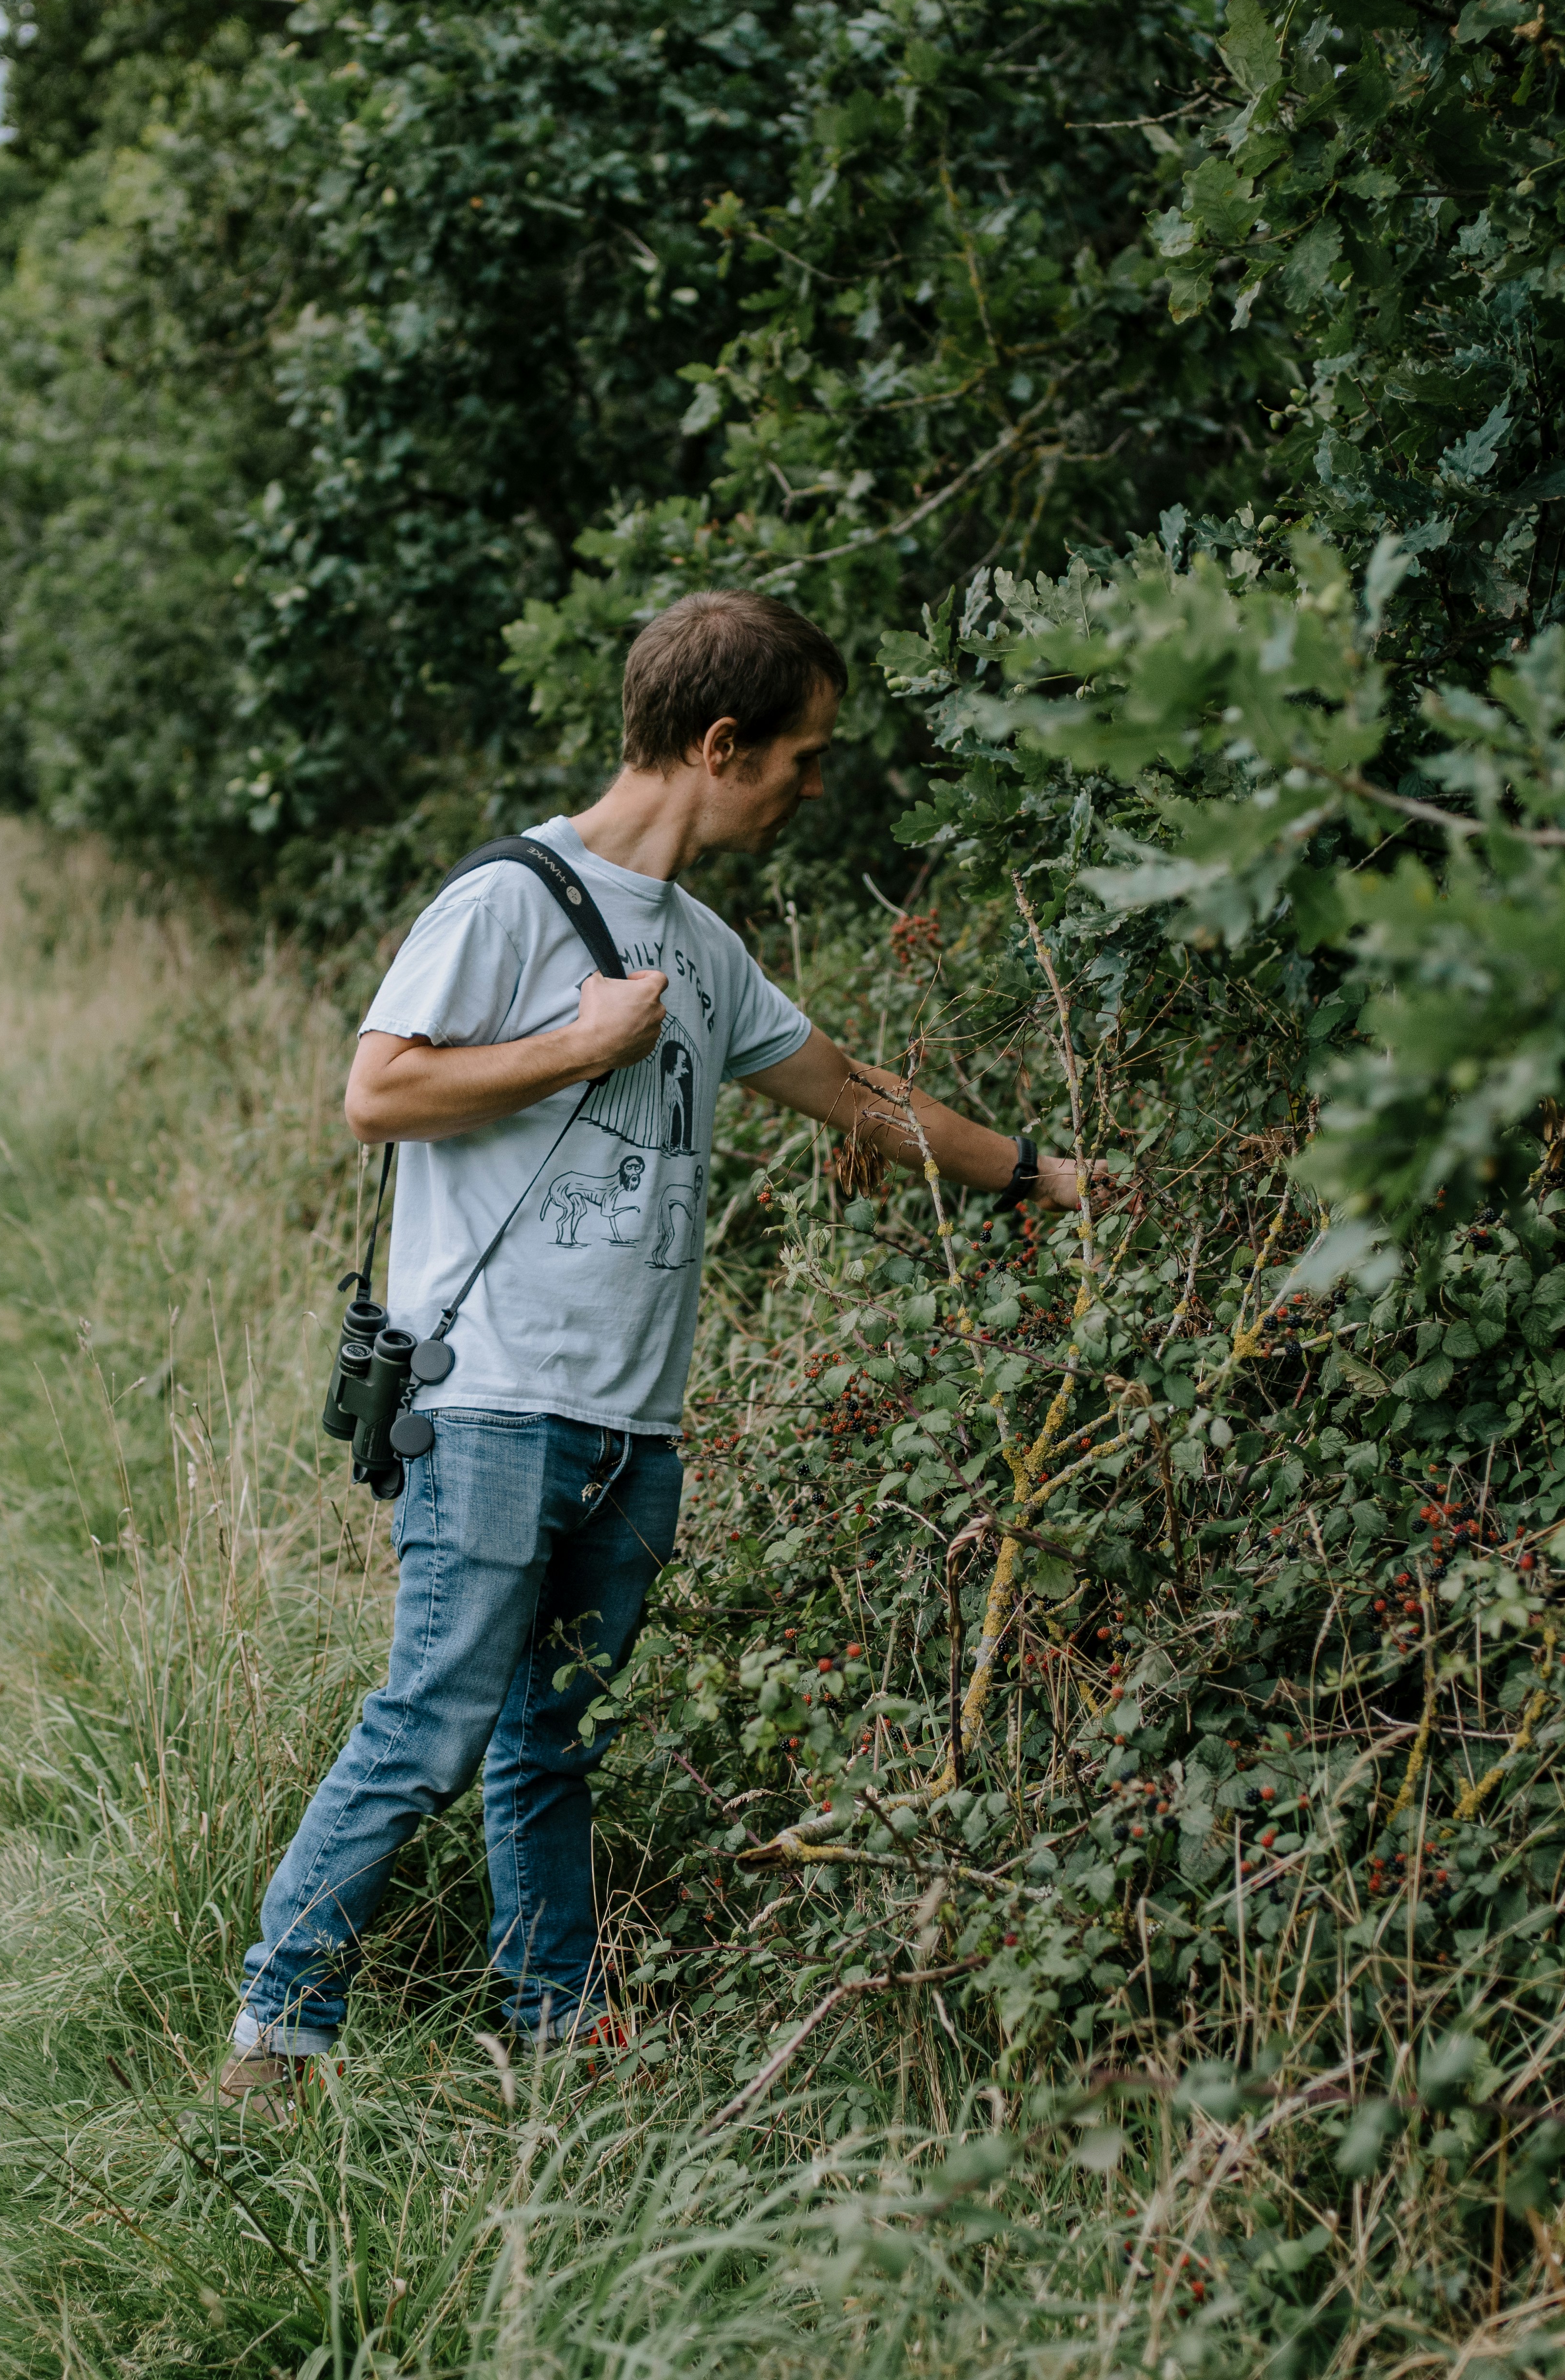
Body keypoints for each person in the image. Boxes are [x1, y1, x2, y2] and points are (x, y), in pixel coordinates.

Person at [221, 588, 1093, 2100]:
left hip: (637, 1430)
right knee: (432, 1727)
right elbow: (378, 1093)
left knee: (550, 1739)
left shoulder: (704, 945)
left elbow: (857, 1092)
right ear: (720, 743)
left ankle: (550, 2031)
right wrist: (578, 1044)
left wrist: (1045, 1179)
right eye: (805, 757)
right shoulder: (505, 899)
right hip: (489, 1402)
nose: (815, 786)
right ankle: (275, 2035)